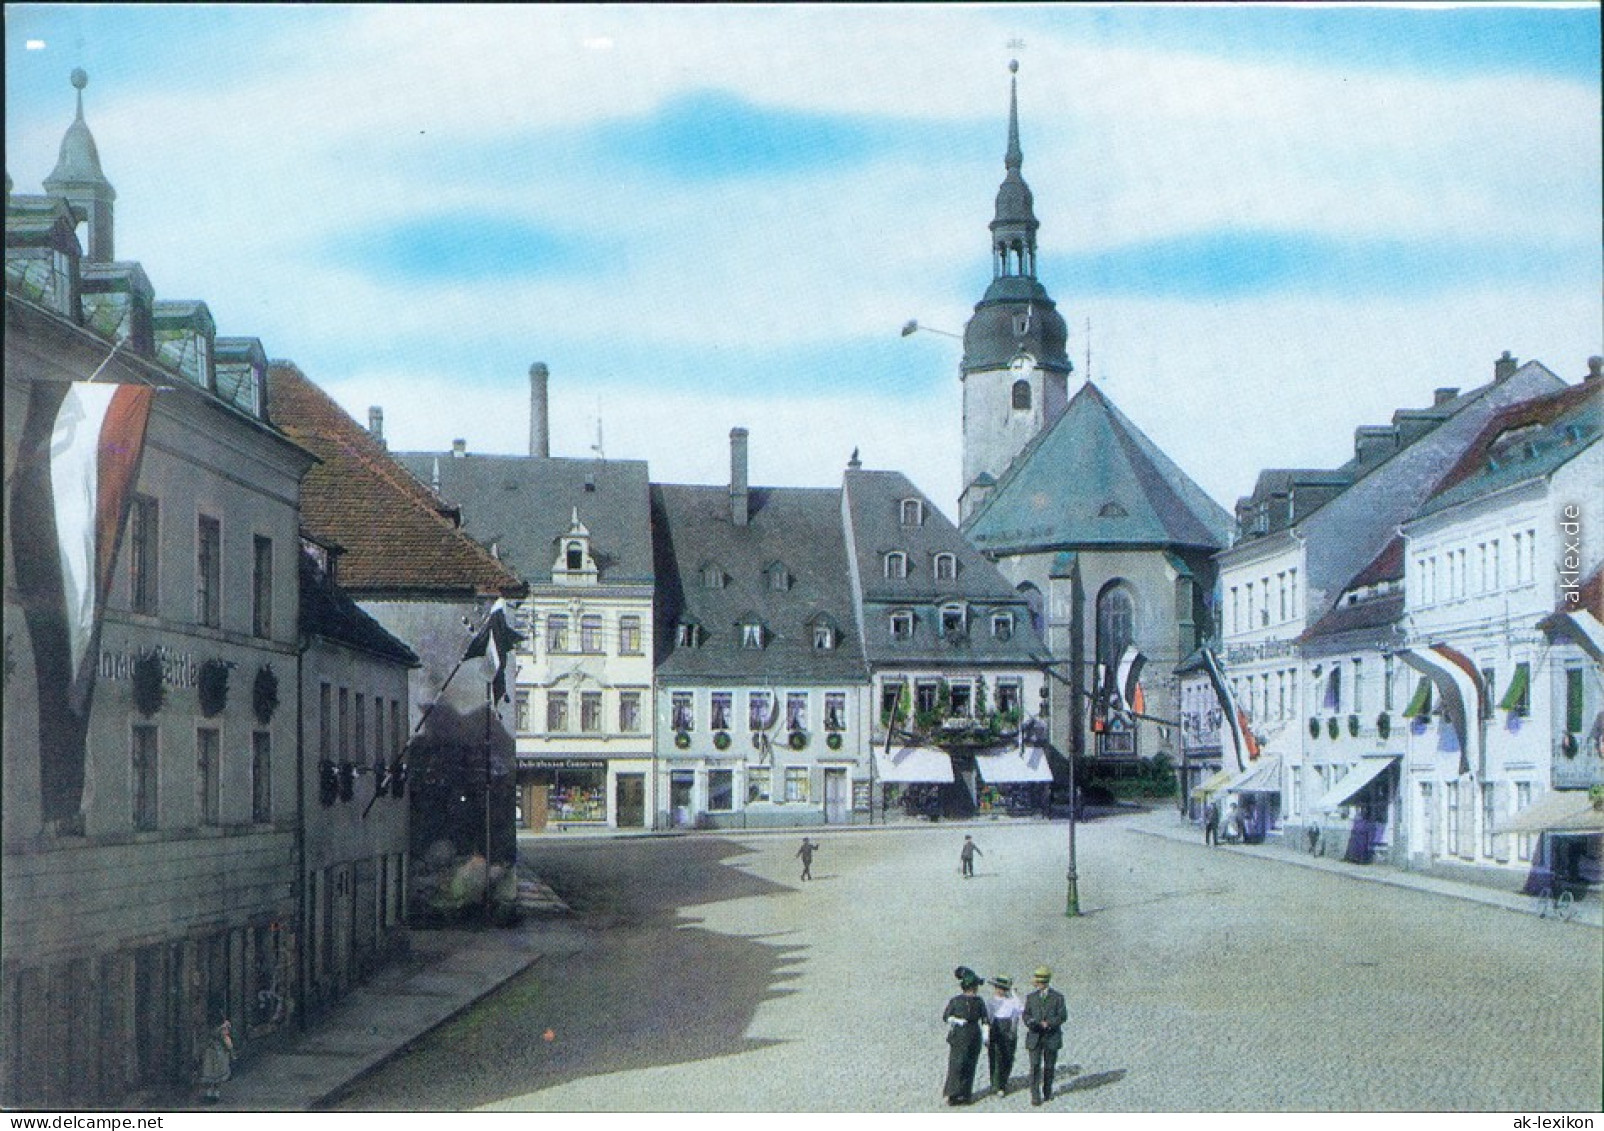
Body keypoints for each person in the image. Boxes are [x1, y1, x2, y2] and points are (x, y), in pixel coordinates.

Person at [942, 966, 989, 1105]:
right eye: (972, 988)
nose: (974, 991)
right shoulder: (956, 1001)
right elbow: (946, 1016)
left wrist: (986, 1035)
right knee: (956, 1064)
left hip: (974, 1033)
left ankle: (965, 1093)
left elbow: (985, 1019)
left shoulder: (979, 1002)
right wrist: (956, 1020)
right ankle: (953, 1094)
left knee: (970, 1063)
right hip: (959, 1035)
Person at [1023, 966, 1068, 1106]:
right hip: (1035, 1036)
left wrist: (1048, 1023)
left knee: (1049, 1066)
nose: (1037, 984)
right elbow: (1026, 1014)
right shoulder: (1031, 997)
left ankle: (1047, 1091)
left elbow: (1062, 1016)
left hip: (1051, 1036)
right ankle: (1035, 1095)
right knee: (1035, 1065)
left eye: (1039, 981)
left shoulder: (1058, 997)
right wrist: (1031, 1022)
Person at [984, 975, 1023, 1097]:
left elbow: (1021, 1009)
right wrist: (986, 1033)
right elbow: (987, 1018)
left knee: (1008, 1057)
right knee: (995, 1056)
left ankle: (1003, 1082)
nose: (1000, 990)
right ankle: (996, 1085)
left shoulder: (1011, 1001)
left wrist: (1014, 994)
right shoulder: (991, 1001)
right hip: (995, 1029)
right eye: (998, 988)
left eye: (1003, 988)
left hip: (1008, 1030)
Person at [197, 1013, 234, 1104]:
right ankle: (215, 1093)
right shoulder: (222, 1030)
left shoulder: (210, 1030)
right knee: (217, 1073)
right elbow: (227, 1042)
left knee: (210, 1072)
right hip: (219, 1053)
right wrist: (231, 1051)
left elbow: (203, 1041)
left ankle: (210, 1093)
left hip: (210, 1053)